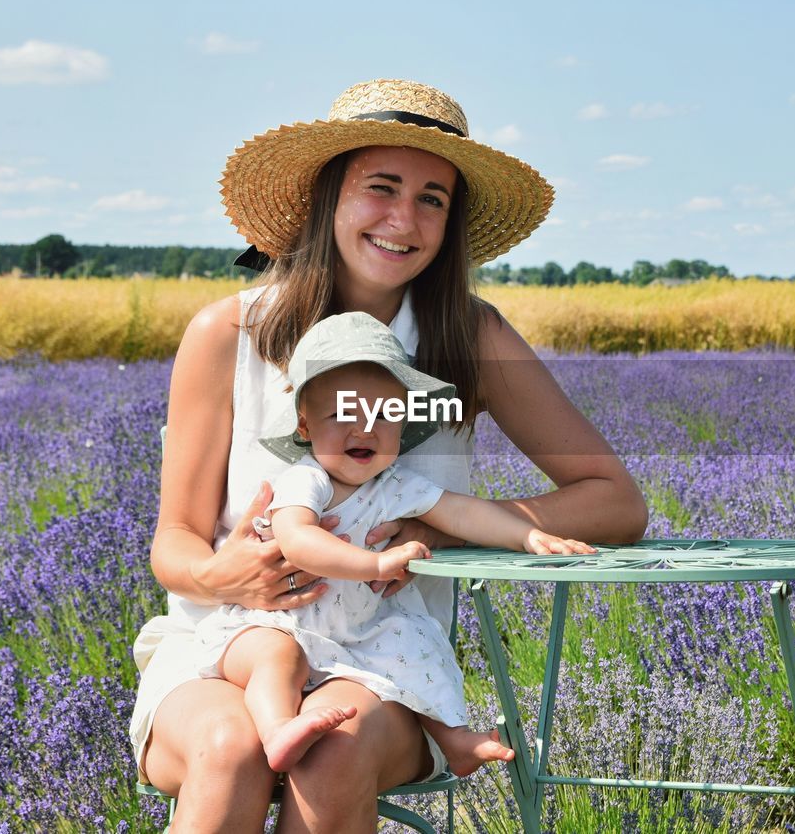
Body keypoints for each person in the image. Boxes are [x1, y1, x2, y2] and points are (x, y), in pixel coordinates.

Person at [129, 78, 648, 832]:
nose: (404, 219)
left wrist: (444, 528)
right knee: (226, 747)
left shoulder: (468, 341)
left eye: (433, 198)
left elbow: (616, 500)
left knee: (333, 747)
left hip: (385, 665)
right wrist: (223, 573)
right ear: (327, 197)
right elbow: (173, 544)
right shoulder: (229, 336)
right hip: (227, 648)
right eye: (382, 187)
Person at [193, 310, 594, 777]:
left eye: (384, 414)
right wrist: (376, 564)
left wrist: (526, 533)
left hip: (358, 632)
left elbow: (463, 512)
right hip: (279, 621)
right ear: (305, 428)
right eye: (343, 413)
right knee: (275, 657)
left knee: (414, 643)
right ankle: (278, 727)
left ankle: (454, 738)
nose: (364, 429)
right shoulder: (306, 481)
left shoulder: (394, 485)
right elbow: (299, 540)